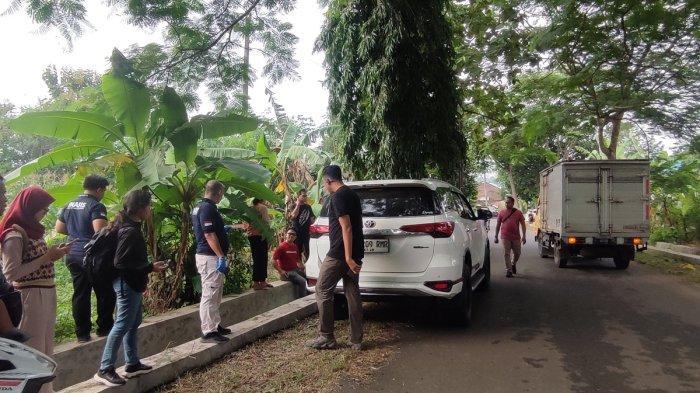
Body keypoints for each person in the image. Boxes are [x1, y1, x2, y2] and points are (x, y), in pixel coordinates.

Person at [0, 186, 71, 393]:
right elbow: (11, 274)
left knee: (47, 348)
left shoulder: (32, 230)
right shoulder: (14, 233)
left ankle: (47, 390)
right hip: (30, 296)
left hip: (45, 293)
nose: (45, 214)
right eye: (44, 209)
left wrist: (53, 256)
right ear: (30, 208)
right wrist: (47, 257)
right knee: (35, 351)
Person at [94, 189, 167, 387]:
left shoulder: (129, 225)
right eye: (149, 206)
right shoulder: (130, 231)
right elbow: (122, 262)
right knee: (122, 324)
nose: (150, 210)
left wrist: (147, 267)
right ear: (142, 209)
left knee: (133, 323)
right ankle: (105, 368)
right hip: (127, 283)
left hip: (132, 282)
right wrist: (150, 267)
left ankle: (132, 363)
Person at [306, 165, 364, 351]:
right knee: (352, 292)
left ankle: (326, 336)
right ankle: (356, 339)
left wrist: (347, 258)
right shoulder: (352, 194)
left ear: (328, 180)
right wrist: (352, 256)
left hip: (340, 253)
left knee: (322, 289)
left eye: (324, 183)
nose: (324, 186)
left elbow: (346, 227)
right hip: (355, 252)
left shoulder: (337, 197)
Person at [55, 174, 115, 342]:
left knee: (80, 293)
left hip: (72, 253)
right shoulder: (96, 206)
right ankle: (104, 329)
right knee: (104, 292)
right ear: (99, 189)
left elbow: (59, 228)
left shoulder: (69, 204)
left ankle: (82, 334)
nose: (103, 194)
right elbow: (100, 231)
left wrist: (77, 232)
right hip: (91, 257)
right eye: (103, 190)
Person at [191, 180, 232, 344]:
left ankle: (215, 325)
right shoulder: (207, 208)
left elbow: (208, 229)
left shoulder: (199, 207)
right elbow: (208, 234)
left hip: (209, 255)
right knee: (210, 293)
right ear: (219, 192)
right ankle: (208, 331)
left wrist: (223, 228)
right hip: (210, 257)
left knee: (216, 293)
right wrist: (220, 255)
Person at [494, 196, 526, 278]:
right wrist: (496, 236)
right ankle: (508, 270)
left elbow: (523, 225)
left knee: (517, 253)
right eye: (506, 202)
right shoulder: (501, 213)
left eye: (508, 202)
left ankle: (513, 263)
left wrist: (524, 236)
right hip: (505, 236)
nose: (506, 203)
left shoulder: (518, 213)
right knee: (506, 253)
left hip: (516, 237)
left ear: (513, 203)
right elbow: (498, 225)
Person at [272, 229, 307, 298]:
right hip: (287, 273)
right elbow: (273, 260)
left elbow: (298, 261)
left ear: (295, 237)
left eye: (293, 234)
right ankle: (302, 300)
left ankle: (308, 296)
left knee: (308, 278)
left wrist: (304, 268)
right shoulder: (281, 247)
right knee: (303, 281)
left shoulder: (295, 247)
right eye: (289, 233)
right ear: (286, 235)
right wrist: (280, 271)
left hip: (295, 270)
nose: (291, 235)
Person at [247, 198, 272, 290]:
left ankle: (256, 282)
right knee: (262, 259)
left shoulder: (249, 208)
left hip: (251, 236)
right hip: (260, 236)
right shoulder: (263, 208)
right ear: (262, 199)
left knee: (256, 259)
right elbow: (265, 223)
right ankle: (262, 282)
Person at [288, 189, 316, 262]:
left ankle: (307, 267)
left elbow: (312, 219)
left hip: (306, 233)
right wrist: (298, 205)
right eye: (303, 196)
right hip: (297, 233)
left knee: (308, 250)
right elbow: (293, 216)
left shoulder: (308, 207)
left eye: (306, 196)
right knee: (297, 250)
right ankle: (298, 267)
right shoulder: (293, 206)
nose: (305, 197)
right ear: (298, 196)